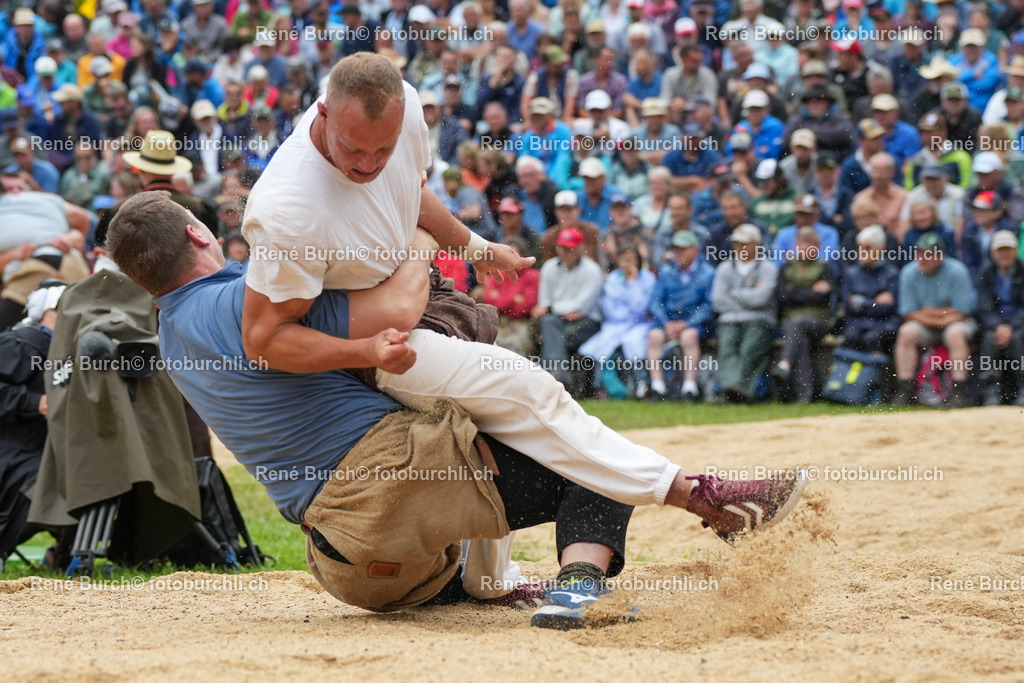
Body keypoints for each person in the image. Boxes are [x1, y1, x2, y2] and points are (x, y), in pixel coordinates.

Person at [239, 53, 807, 611]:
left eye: (381, 150)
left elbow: (411, 191)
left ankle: (490, 579)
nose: (367, 165)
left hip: (418, 303)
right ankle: (703, 497)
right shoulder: (288, 208)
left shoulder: (406, 108)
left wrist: (477, 247)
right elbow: (263, 338)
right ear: (322, 113)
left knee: (504, 425)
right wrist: (366, 347)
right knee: (525, 388)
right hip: (370, 346)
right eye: (353, 150)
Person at [106, 190, 808, 626]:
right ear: (199, 236)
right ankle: (637, 546)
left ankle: (491, 583)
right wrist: (424, 239)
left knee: (495, 418)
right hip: (389, 502)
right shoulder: (245, 300)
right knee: (582, 451)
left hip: (355, 568)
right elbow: (396, 308)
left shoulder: (173, 335)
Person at [893, 233, 977, 408]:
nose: (922, 258)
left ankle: (959, 391)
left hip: (954, 324)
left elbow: (963, 312)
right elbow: (908, 313)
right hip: (933, 324)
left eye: (928, 254)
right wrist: (944, 315)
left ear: (941, 257)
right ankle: (905, 390)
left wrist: (926, 311)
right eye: (920, 253)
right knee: (906, 332)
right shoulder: (908, 272)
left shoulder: (958, 271)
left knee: (955, 334)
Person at [711, 223, 778, 403]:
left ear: (757, 244)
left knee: (750, 347)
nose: (739, 248)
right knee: (727, 346)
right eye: (736, 243)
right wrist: (750, 296)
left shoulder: (768, 268)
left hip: (760, 319)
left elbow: (762, 299)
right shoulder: (725, 267)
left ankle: (737, 389)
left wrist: (733, 294)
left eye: (744, 243)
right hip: (730, 318)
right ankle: (731, 389)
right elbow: (718, 301)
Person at [645, 230, 715, 401]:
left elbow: (709, 305)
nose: (678, 253)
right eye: (676, 249)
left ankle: (689, 388)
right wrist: (667, 323)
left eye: (683, 249)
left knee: (688, 337)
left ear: (695, 250)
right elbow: (655, 302)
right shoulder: (666, 271)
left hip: (696, 325)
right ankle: (657, 387)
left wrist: (687, 324)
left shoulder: (708, 273)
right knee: (654, 336)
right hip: (668, 322)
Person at [532, 227, 604, 392]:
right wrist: (560, 311)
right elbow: (545, 301)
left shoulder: (592, 270)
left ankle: (550, 377)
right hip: (558, 319)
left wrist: (552, 308)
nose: (564, 252)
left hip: (588, 322)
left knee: (550, 330)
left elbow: (582, 307)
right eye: (562, 247)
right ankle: (560, 378)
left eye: (569, 248)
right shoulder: (549, 267)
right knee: (551, 326)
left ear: (580, 249)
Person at [771, 227, 837, 403]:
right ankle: (806, 393)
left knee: (797, 326)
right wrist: (810, 291)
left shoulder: (825, 267)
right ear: (795, 245)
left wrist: (795, 291)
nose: (805, 247)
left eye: (810, 243)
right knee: (800, 337)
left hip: (818, 322)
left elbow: (823, 298)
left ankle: (785, 365)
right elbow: (782, 297)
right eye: (802, 243)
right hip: (789, 322)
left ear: (818, 247)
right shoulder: (786, 267)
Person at [976, 231, 1024, 406]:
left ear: (1016, 250)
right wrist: (998, 326)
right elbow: (984, 306)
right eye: (1000, 250)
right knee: (990, 338)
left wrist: (1010, 326)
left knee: (1018, 338)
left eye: (1008, 249)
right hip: (995, 325)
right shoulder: (986, 273)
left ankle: (1022, 388)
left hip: (1018, 323)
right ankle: (991, 391)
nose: (1005, 254)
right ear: (993, 253)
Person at [840, 225, 901, 355]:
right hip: (856, 323)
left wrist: (860, 301)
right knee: (850, 336)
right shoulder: (851, 273)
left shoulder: (892, 274)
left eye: (868, 248)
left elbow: (890, 308)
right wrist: (875, 302)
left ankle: (876, 368)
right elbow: (848, 305)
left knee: (871, 339)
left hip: (884, 325)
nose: (862, 252)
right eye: (860, 247)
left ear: (881, 249)